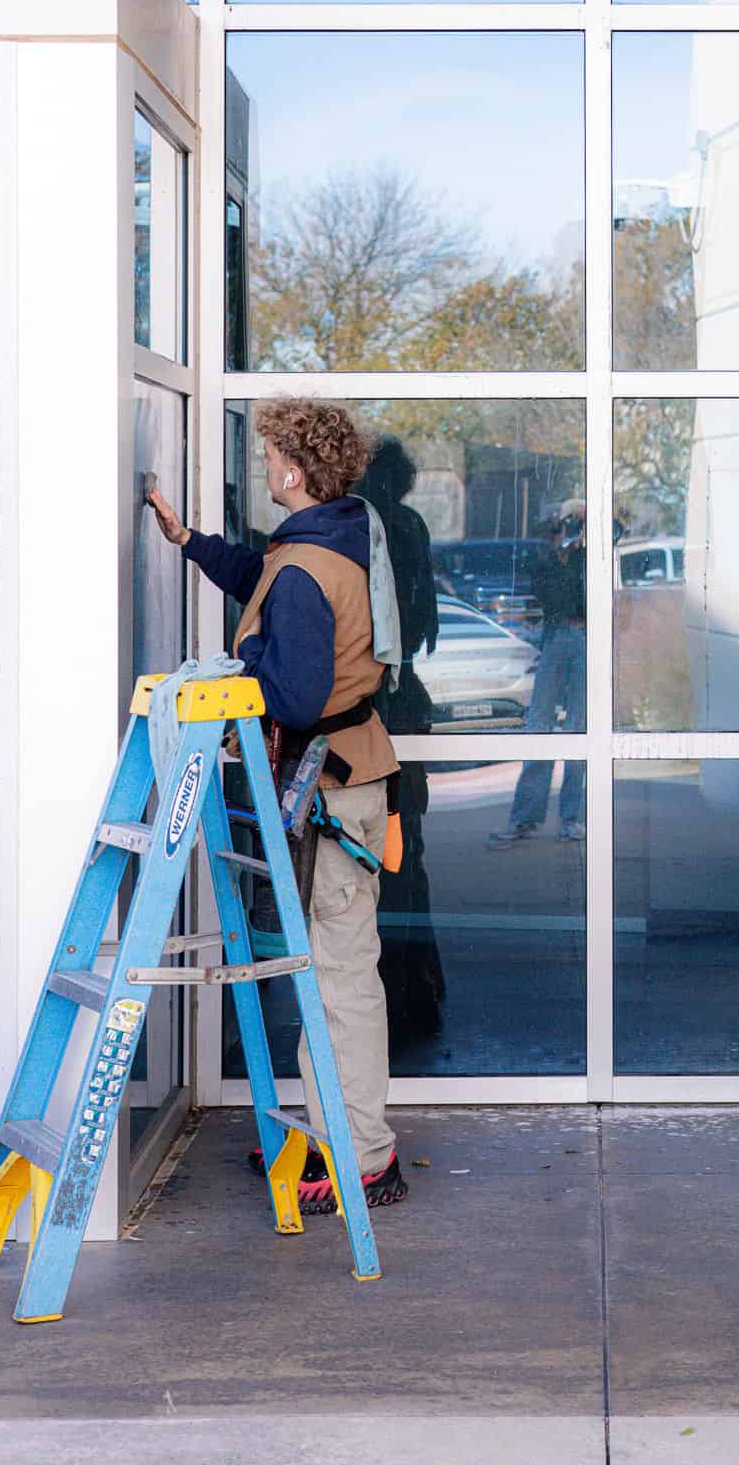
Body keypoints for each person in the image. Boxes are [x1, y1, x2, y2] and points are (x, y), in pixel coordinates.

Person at [149, 397, 409, 1212]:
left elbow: (294, 695)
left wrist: (217, 687)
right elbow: (259, 579)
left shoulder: (304, 570)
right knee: (337, 974)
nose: (261, 466)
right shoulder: (333, 534)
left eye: (267, 456)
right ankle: (348, 1140)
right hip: (354, 775)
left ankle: (364, 1159)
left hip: (333, 789)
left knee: (338, 979)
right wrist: (190, 542)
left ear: (293, 471)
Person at [363, 435, 447, 1051]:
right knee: (405, 850)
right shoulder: (407, 524)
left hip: (378, 702)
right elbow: (423, 623)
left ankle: (397, 996)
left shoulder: (365, 525)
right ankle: (415, 992)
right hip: (399, 697)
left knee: (376, 851)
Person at [488, 500, 586, 843]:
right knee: (539, 724)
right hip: (557, 634)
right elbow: (549, 598)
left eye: (580, 523)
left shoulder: (590, 558)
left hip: (586, 637)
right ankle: (525, 817)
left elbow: (592, 601)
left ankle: (573, 817)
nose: (575, 529)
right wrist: (562, 551)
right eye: (571, 522)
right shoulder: (549, 558)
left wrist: (583, 551)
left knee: (581, 729)